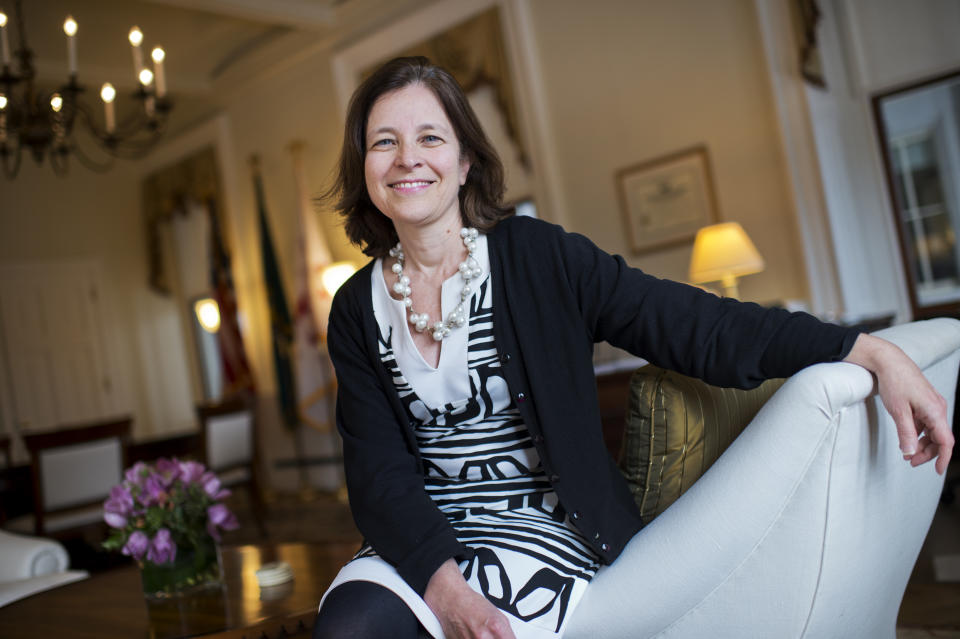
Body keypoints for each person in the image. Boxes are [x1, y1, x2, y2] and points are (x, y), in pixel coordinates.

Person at [312, 56, 953, 639]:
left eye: (429, 137)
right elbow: (378, 471)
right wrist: (444, 587)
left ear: (465, 160)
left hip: (543, 529)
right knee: (352, 630)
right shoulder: (354, 308)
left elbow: (697, 325)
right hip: (426, 539)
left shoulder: (539, 257)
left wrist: (865, 350)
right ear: (362, 166)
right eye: (383, 142)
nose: (407, 159)